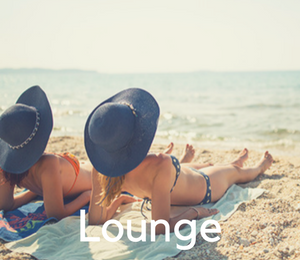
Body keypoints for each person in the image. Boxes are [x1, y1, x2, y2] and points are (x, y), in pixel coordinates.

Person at [85, 88, 274, 234]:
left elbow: (95, 220)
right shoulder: (159, 164)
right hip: (205, 187)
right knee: (235, 173)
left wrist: (117, 201)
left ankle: (236, 161)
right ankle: (259, 167)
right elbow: (161, 228)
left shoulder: (102, 169)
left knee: (209, 166)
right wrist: (194, 212)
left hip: (181, 178)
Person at [0, 86, 92, 220]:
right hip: (94, 175)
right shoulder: (47, 165)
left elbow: (6, 204)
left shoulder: (8, 166)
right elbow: (56, 215)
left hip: (85, 171)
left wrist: (35, 192)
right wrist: (87, 196)